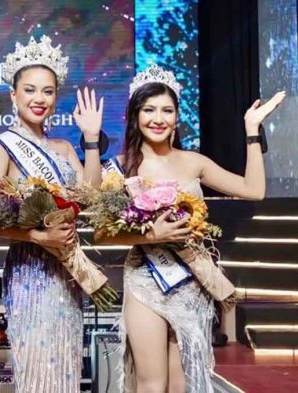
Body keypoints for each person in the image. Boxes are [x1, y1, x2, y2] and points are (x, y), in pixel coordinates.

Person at [94, 64, 285, 393]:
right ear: (135, 115)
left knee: (182, 384)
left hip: (190, 280)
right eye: (149, 109)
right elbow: (101, 232)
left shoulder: (194, 161)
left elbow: (254, 190)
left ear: (177, 116)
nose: (158, 118)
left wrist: (252, 131)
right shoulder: (120, 167)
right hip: (145, 278)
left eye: (167, 110)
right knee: (152, 384)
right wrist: (152, 234)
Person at [0, 35, 104, 392]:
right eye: (31, 90)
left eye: (48, 92)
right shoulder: (2, 146)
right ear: (14, 94)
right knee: (35, 366)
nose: (39, 99)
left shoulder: (65, 147)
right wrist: (37, 235)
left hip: (66, 269)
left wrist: (92, 139)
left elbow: (91, 197)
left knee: (65, 363)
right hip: (28, 269)